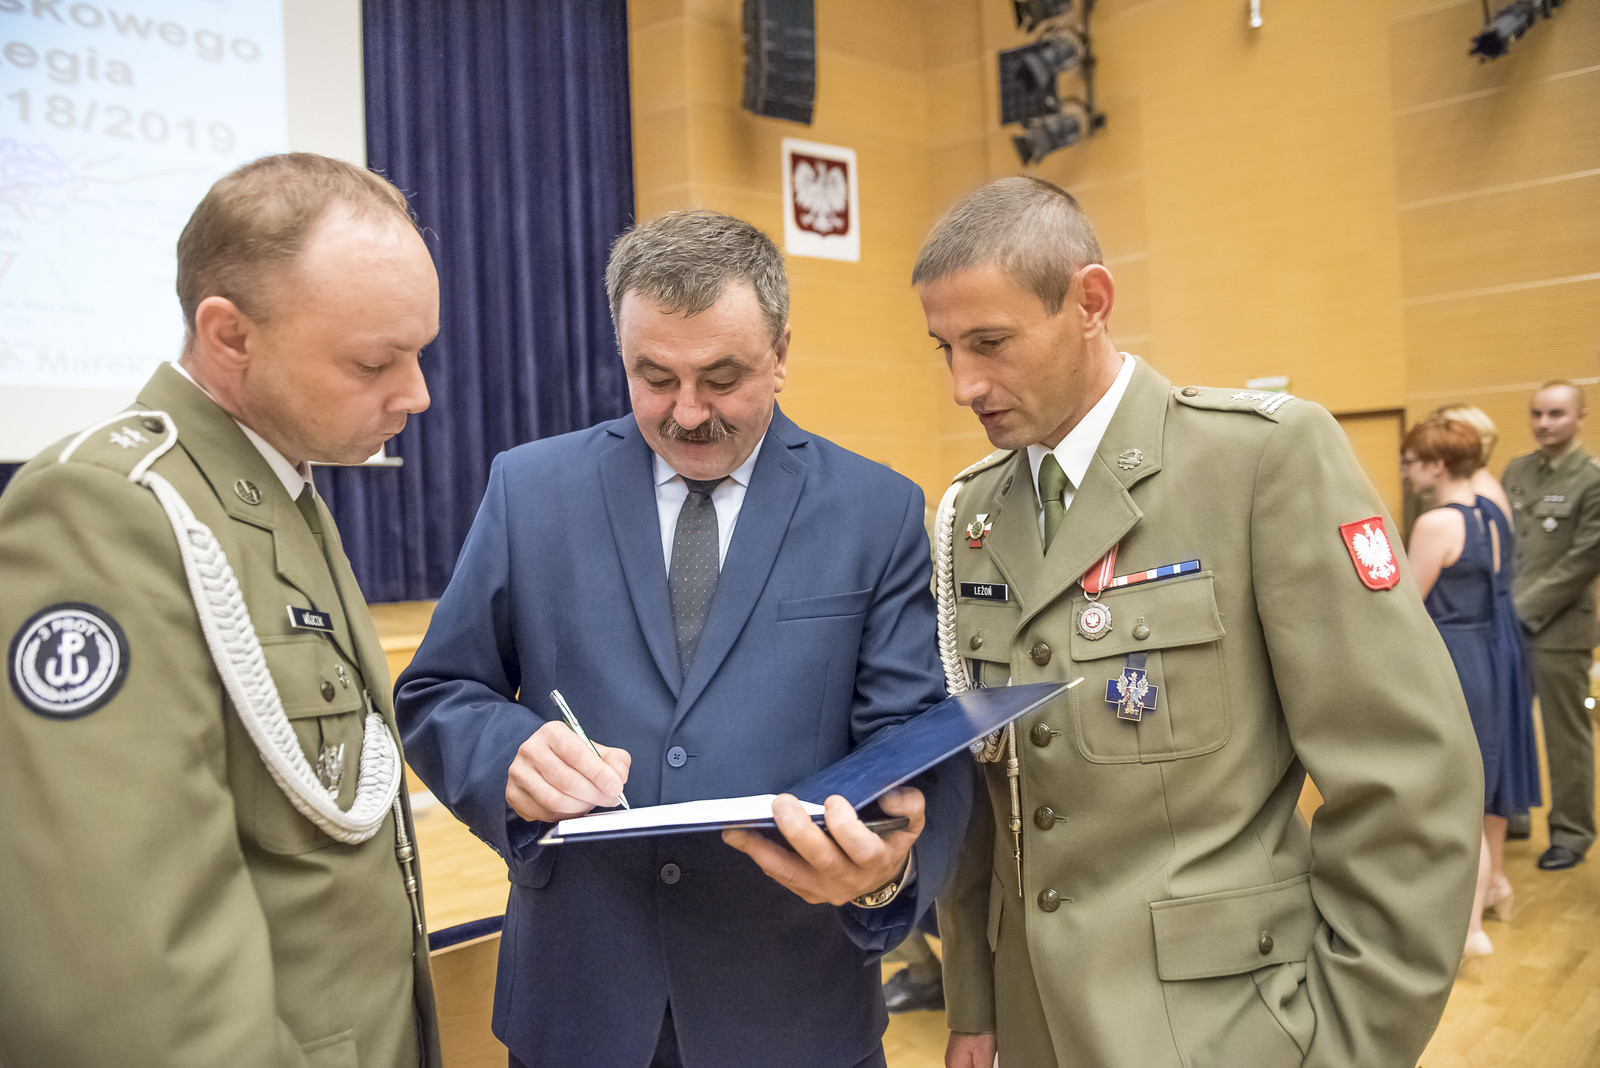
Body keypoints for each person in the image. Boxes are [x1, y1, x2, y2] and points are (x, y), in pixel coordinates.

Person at [917, 177, 1484, 1068]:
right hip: (1030, 1030)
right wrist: (975, 1003)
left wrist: (1346, 1045)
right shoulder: (970, 515)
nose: (964, 385)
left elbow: (1407, 779)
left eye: (989, 343)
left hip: (1222, 1029)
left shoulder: (1256, 461)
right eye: (945, 349)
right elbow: (990, 793)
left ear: (1090, 302)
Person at [394, 209, 970, 1068]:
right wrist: (507, 753)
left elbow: (910, 736)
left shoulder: (875, 511)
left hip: (793, 1008)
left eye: (721, 377)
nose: (688, 413)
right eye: (654, 377)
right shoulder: (530, 491)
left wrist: (883, 868)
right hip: (579, 1003)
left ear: (781, 353)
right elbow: (440, 691)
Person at [0, 154, 441, 1064]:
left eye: (418, 353)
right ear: (231, 335)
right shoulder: (108, 509)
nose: (416, 394)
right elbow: (131, 963)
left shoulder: (274, 494)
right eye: (373, 361)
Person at [1403, 416, 1541, 966]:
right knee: (1488, 785)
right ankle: (1495, 885)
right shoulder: (1493, 511)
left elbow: (1407, 605)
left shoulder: (1436, 523)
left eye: (1412, 462)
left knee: (1460, 793)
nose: (1406, 473)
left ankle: (1467, 929)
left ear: (1437, 465)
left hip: (1458, 657)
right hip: (1497, 652)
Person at [1502, 381, 1600, 872]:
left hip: (1560, 629)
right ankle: (1512, 813)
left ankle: (1571, 833)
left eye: (1556, 414)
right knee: (1508, 725)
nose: (1544, 423)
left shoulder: (1592, 479)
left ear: (1580, 416)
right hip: (1507, 623)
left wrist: (1518, 609)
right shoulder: (1516, 471)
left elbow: (1584, 559)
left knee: (1566, 737)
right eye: (1537, 413)